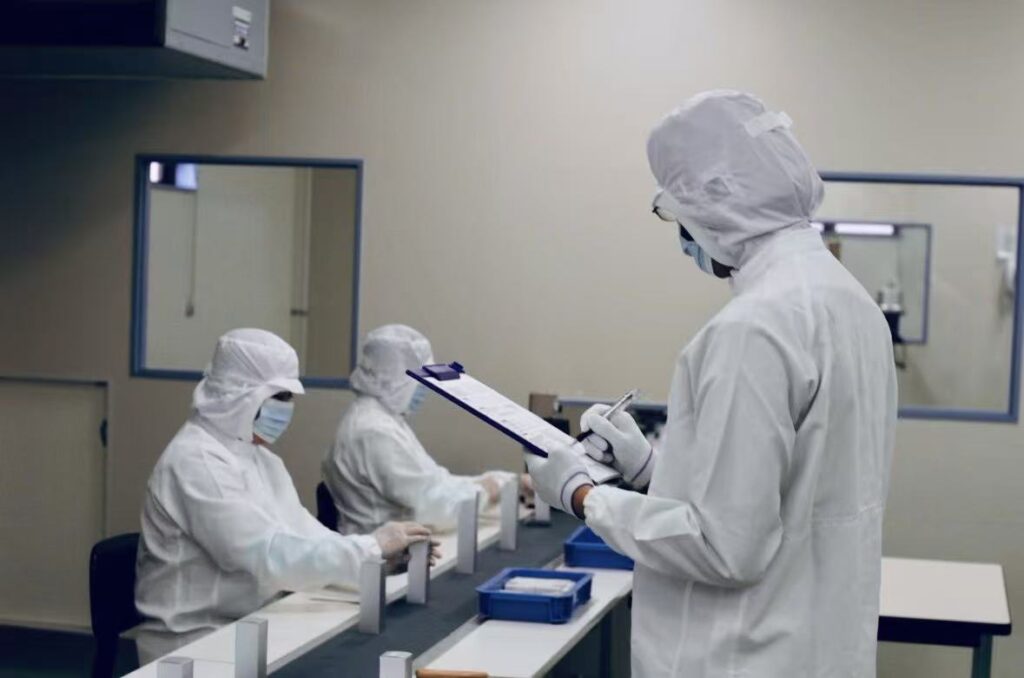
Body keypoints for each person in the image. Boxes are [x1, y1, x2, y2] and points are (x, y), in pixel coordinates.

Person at [527, 91, 897, 677]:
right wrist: (649, 469)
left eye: (678, 215)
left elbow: (726, 547)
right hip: (819, 649)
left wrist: (583, 495)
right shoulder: (854, 306)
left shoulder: (752, 328)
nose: (684, 237)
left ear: (715, 202)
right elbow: (791, 493)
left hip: (739, 655)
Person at [134, 329, 436, 663]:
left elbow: (304, 534)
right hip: (194, 646)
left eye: (290, 397)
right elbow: (267, 555)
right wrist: (370, 547)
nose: (286, 409)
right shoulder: (195, 461)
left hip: (252, 627)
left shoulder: (259, 459)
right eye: (279, 396)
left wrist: (377, 561)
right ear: (240, 394)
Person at [322, 324, 529, 535]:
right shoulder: (373, 431)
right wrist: (493, 487)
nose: (424, 390)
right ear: (396, 380)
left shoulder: (385, 420)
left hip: (402, 540)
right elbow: (435, 507)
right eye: (421, 382)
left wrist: (507, 481)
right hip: (387, 550)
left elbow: (436, 482)